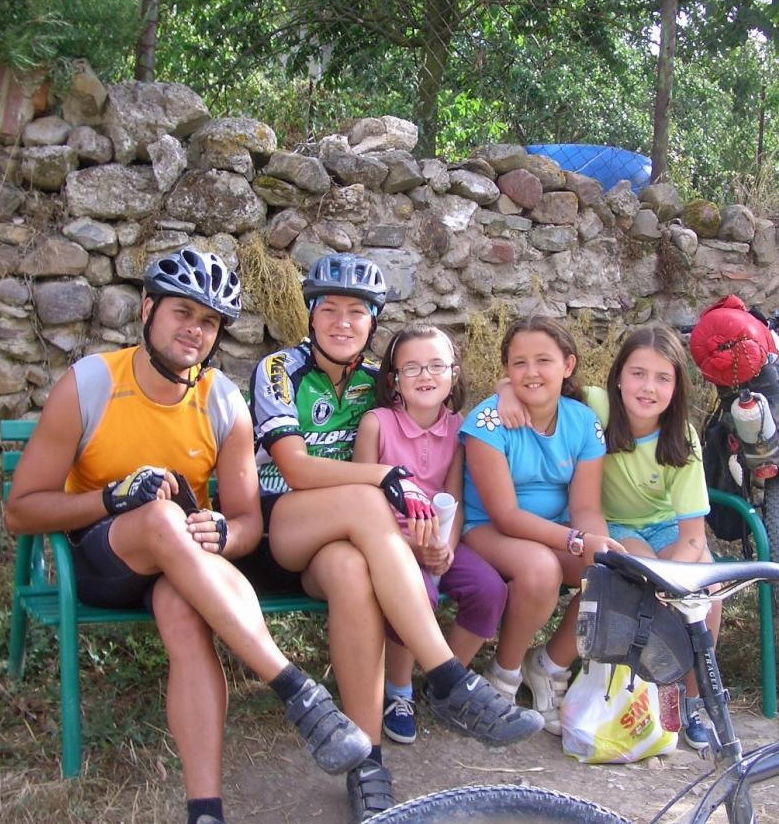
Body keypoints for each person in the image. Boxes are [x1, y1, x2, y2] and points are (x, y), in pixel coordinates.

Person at [4, 247, 371, 824]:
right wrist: (110, 498)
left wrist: (225, 532)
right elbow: (20, 512)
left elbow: (252, 526)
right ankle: (296, 690)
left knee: (182, 611)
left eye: (208, 322)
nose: (194, 331)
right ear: (148, 309)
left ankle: (206, 810)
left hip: (181, 567)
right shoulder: (91, 384)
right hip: (101, 560)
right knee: (156, 516)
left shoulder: (223, 402)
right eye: (182, 312)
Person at [247, 254, 543, 822]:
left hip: (344, 546)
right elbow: (298, 467)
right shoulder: (281, 370)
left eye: (356, 312)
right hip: (279, 524)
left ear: (372, 322)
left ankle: (368, 764)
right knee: (365, 500)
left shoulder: (375, 382)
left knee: (354, 574)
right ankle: (450, 678)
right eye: (328, 309)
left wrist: (507, 385)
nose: (341, 322)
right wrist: (385, 476)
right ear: (309, 314)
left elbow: (448, 399)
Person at [462, 315, 625, 736]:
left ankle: (549, 665)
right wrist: (575, 541)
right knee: (540, 569)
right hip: (489, 530)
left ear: (567, 365)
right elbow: (506, 516)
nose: (531, 373)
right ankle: (503, 678)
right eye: (519, 363)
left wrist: (594, 541)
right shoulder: (487, 423)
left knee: (617, 570)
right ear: (506, 370)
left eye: (543, 361)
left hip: (555, 530)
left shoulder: (582, 420)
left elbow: (586, 505)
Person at [351, 323, 508, 747]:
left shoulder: (459, 428)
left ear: (453, 375)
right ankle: (398, 691)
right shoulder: (377, 424)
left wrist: (446, 547)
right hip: (385, 542)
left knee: (489, 590)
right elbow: (361, 499)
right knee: (415, 593)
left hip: (438, 540)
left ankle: (445, 684)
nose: (426, 376)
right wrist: (408, 546)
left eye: (437, 365)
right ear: (393, 380)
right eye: (413, 367)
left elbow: (452, 495)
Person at [583, 324, 720, 749]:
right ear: (619, 375)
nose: (648, 387)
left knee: (707, 592)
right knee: (641, 569)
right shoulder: (594, 404)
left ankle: (694, 697)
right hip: (611, 523)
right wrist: (510, 395)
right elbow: (531, 387)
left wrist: (677, 583)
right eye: (638, 373)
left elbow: (693, 537)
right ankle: (647, 691)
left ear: (677, 387)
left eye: (663, 378)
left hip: (664, 526)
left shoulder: (682, 439)